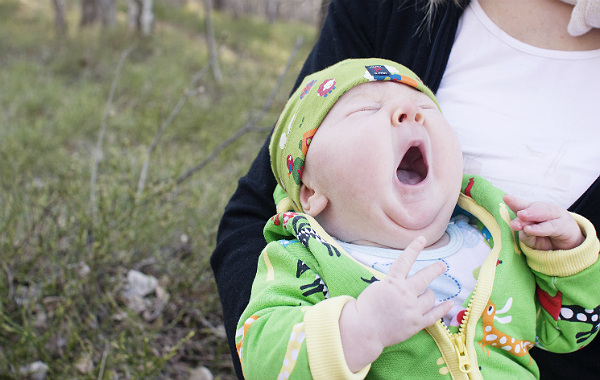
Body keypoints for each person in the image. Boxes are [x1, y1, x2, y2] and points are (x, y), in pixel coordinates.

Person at [211, 1, 600, 378]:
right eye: (365, 110)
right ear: (310, 192)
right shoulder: (302, 261)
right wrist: (357, 331)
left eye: (425, 108)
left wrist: (567, 263)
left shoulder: (497, 242)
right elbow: (262, 353)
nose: (408, 111)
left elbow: (569, 333)